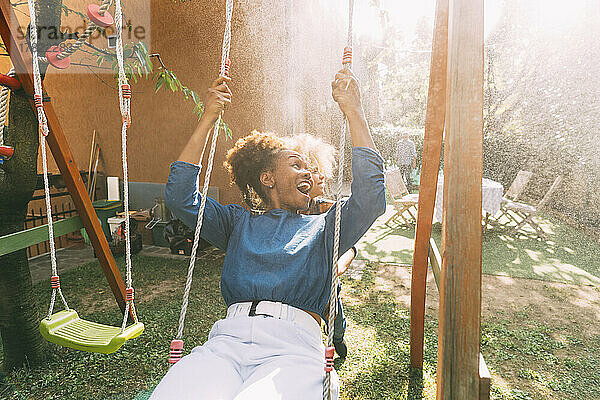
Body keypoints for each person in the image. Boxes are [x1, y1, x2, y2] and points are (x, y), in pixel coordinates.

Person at [150, 68, 386, 400]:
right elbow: (179, 196)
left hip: (292, 349)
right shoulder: (236, 224)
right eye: (296, 164)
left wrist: (355, 111)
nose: (307, 171)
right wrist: (208, 119)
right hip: (226, 343)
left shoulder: (326, 228)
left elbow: (372, 197)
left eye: (307, 167)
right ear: (267, 178)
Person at [285, 133, 354, 358]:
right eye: (314, 171)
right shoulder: (282, 213)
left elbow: (351, 247)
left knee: (336, 317)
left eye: (320, 169)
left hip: (328, 282)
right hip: (297, 289)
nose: (322, 176)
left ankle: (337, 337)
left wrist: (339, 265)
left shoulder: (326, 209)